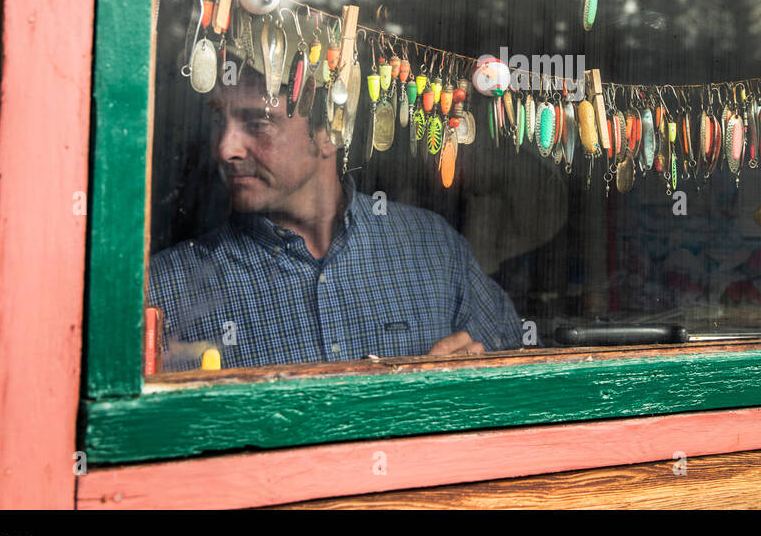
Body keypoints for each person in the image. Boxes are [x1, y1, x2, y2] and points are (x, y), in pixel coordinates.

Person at [148, 62, 523, 370]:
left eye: (258, 123)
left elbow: (517, 370)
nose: (225, 147)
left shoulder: (432, 246)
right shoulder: (162, 290)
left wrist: (477, 373)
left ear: (329, 132)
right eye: (218, 121)